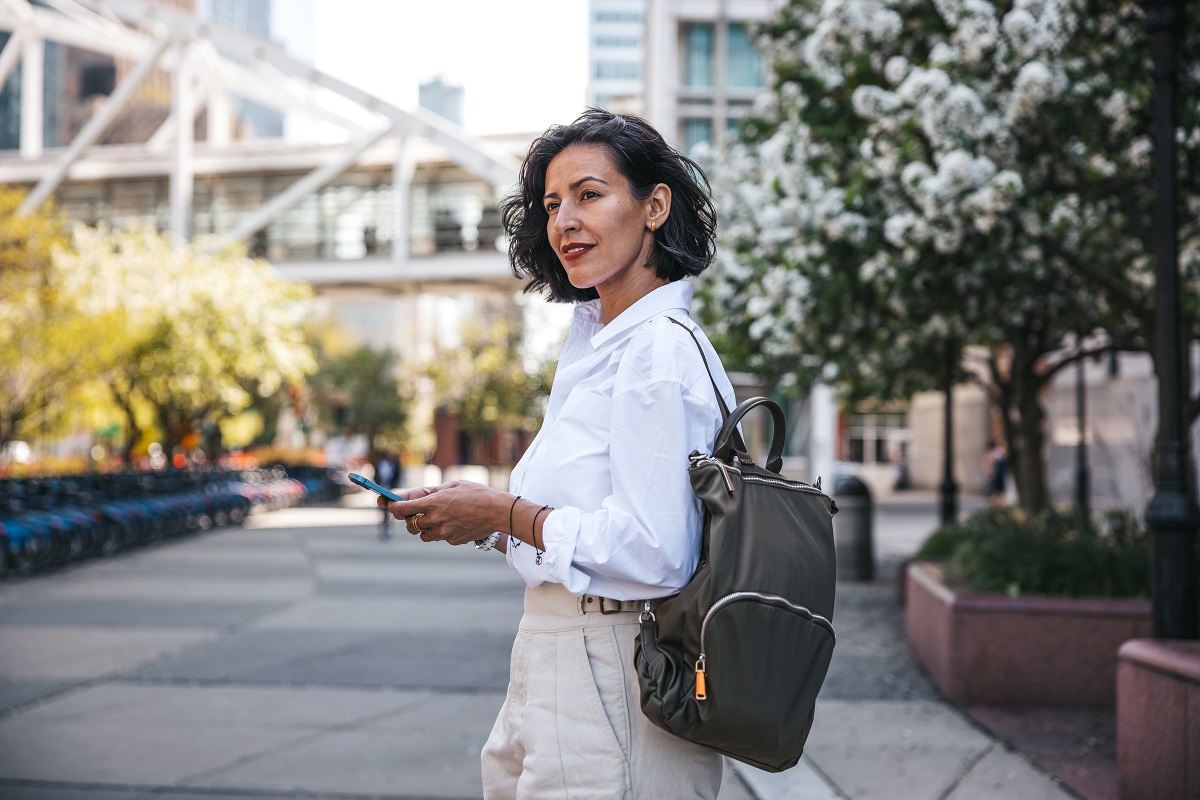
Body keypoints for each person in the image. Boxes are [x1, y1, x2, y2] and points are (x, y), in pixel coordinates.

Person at [379, 109, 734, 798]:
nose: (564, 218)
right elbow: (589, 518)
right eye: (551, 203)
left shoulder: (654, 350)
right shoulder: (600, 345)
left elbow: (657, 552)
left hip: (611, 661)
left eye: (589, 194)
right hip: (560, 653)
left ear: (655, 206)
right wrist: (487, 519)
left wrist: (507, 511)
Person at [373, 452, 396, 539]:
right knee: (382, 509)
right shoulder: (379, 463)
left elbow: (395, 475)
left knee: (388, 509)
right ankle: (383, 526)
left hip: (389, 488)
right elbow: (376, 475)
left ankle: (387, 527)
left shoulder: (392, 463)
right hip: (381, 488)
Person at [985, 439, 1007, 506]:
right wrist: (989, 471)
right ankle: (995, 506)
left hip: (1001, 475)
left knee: (1000, 492)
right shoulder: (993, 454)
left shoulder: (1002, 453)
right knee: (994, 492)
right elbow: (987, 463)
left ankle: (999, 505)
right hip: (995, 476)